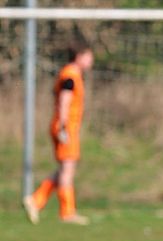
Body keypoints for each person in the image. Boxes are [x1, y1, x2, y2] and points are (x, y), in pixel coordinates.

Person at [23, 43, 93, 225]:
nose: (91, 60)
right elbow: (64, 100)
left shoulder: (71, 74)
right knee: (68, 169)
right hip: (66, 127)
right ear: (79, 56)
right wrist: (63, 126)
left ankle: (36, 200)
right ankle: (67, 212)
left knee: (64, 169)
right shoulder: (70, 75)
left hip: (65, 126)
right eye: (88, 56)